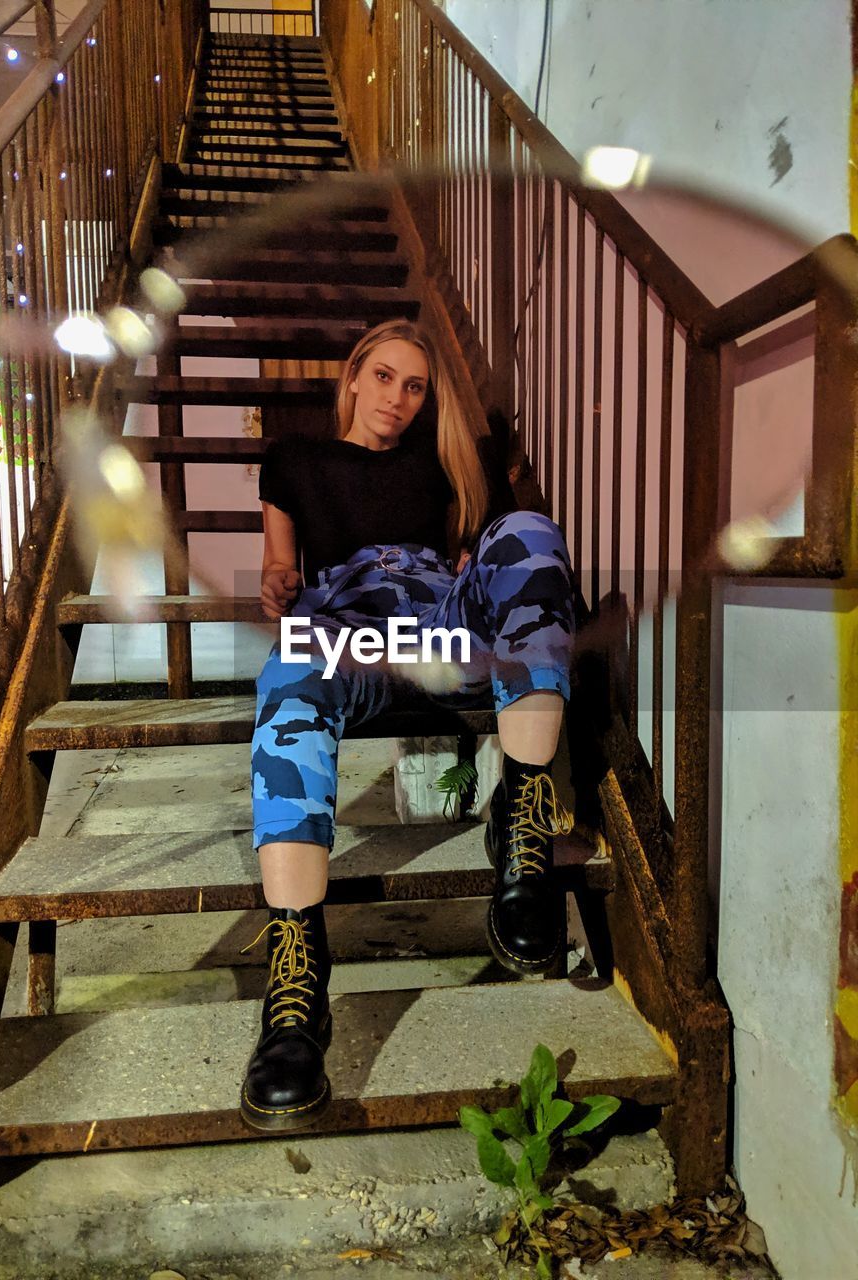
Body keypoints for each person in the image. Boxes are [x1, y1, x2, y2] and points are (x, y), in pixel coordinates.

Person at [241, 317, 576, 1132]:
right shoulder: (294, 458)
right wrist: (280, 581)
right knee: (293, 664)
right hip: (349, 627)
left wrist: (476, 551)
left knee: (532, 533)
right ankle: (296, 986)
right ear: (354, 376)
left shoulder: (443, 465)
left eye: (415, 385)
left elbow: (496, 553)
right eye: (384, 376)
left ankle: (523, 822)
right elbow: (278, 566)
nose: (397, 397)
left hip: (441, 621)